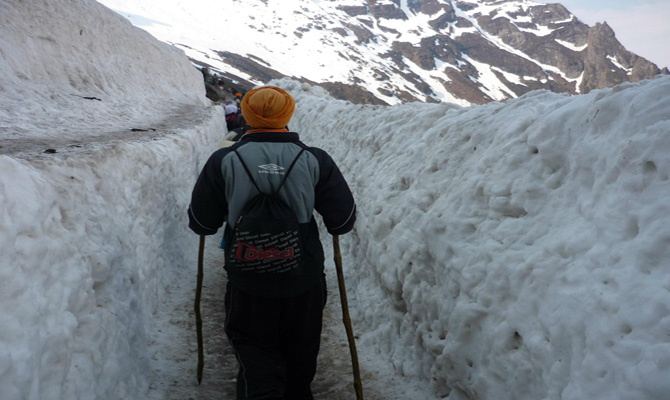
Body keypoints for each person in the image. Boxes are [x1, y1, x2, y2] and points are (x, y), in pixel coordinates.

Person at [187, 85, 356, 399]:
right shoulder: (315, 160)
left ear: (247, 115)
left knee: (255, 356)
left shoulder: (224, 160)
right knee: (300, 357)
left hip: (248, 281)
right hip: (303, 280)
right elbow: (342, 222)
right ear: (288, 114)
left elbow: (201, 222)